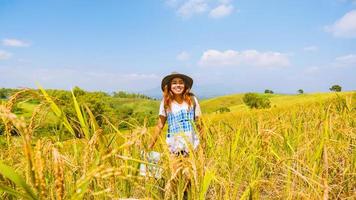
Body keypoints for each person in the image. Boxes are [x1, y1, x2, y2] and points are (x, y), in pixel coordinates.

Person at [149, 72, 202, 156]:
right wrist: (149, 146)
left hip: (193, 149)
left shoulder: (192, 99)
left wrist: (204, 146)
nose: (178, 85)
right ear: (169, 86)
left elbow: (199, 124)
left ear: (185, 85)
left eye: (181, 82)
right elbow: (160, 125)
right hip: (173, 150)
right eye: (174, 83)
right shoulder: (165, 102)